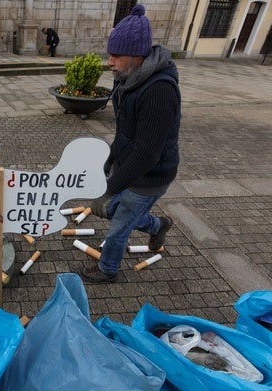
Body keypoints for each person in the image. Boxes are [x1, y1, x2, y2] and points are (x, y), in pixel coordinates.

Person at [80, 4, 181, 283]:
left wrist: (108, 190)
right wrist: (110, 161)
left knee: (118, 226)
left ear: (137, 56)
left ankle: (107, 270)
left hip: (151, 174)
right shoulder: (128, 80)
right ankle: (158, 225)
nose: (109, 62)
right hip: (129, 164)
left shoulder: (159, 91)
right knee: (115, 211)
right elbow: (125, 131)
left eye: (116, 56)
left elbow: (148, 153)